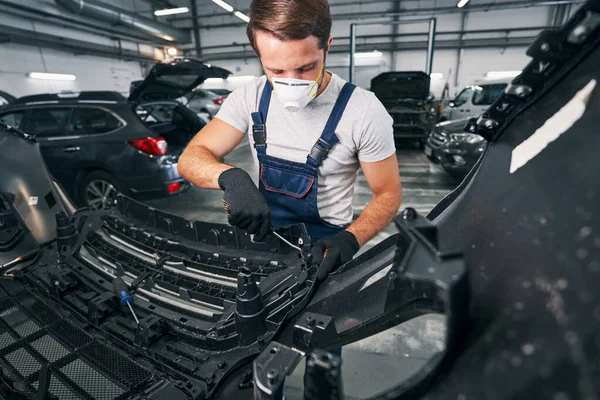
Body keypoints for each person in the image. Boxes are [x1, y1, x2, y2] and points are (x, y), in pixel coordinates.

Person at [178, 0, 402, 282]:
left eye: (306, 68)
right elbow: (191, 157)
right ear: (260, 57)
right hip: (264, 235)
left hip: (326, 248)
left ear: (327, 46)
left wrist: (351, 239)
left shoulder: (365, 111)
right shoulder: (250, 98)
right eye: (276, 71)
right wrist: (229, 177)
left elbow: (388, 194)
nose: (292, 82)